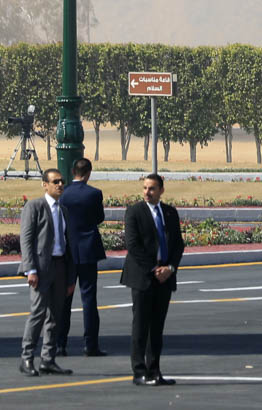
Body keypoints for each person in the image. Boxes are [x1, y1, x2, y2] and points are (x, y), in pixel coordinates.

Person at [120, 173, 184, 386]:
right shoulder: (134, 212)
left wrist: (170, 268)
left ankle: (154, 370)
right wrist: (155, 268)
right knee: (141, 326)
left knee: (157, 327)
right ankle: (139, 371)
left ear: (161, 191)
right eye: (145, 188)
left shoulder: (170, 212)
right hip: (143, 277)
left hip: (165, 278)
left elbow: (178, 245)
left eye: (152, 188)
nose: (147, 192)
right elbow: (133, 246)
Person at [18, 169, 73, 377]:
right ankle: (27, 358)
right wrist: (30, 269)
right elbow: (26, 240)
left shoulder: (63, 210)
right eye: (55, 182)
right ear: (45, 185)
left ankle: (48, 360)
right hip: (41, 268)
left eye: (62, 181)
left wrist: (70, 276)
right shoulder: (35, 207)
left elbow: (68, 244)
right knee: (38, 313)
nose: (60, 185)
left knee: (55, 316)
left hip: (60, 266)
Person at [59, 158, 106, 357]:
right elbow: (99, 218)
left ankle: (60, 344)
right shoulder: (94, 193)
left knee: (64, 300)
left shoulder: (64, 193)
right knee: (89, 299)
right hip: (88, 250)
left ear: (72, 171)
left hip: (68, 250)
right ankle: (90, 344)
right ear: (88, 173)